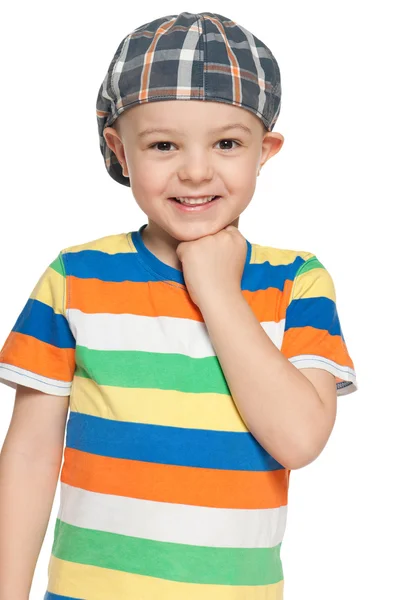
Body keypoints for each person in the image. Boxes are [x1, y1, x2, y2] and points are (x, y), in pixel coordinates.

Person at [0, 11, 358, 600]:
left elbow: (299, 439)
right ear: (119, 150)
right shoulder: (76, 277)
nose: (195, 170)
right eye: (163, 144)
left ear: (265, 150)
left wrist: (217, 290)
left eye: (227, 143)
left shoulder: (297, 281)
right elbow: (30, 457)